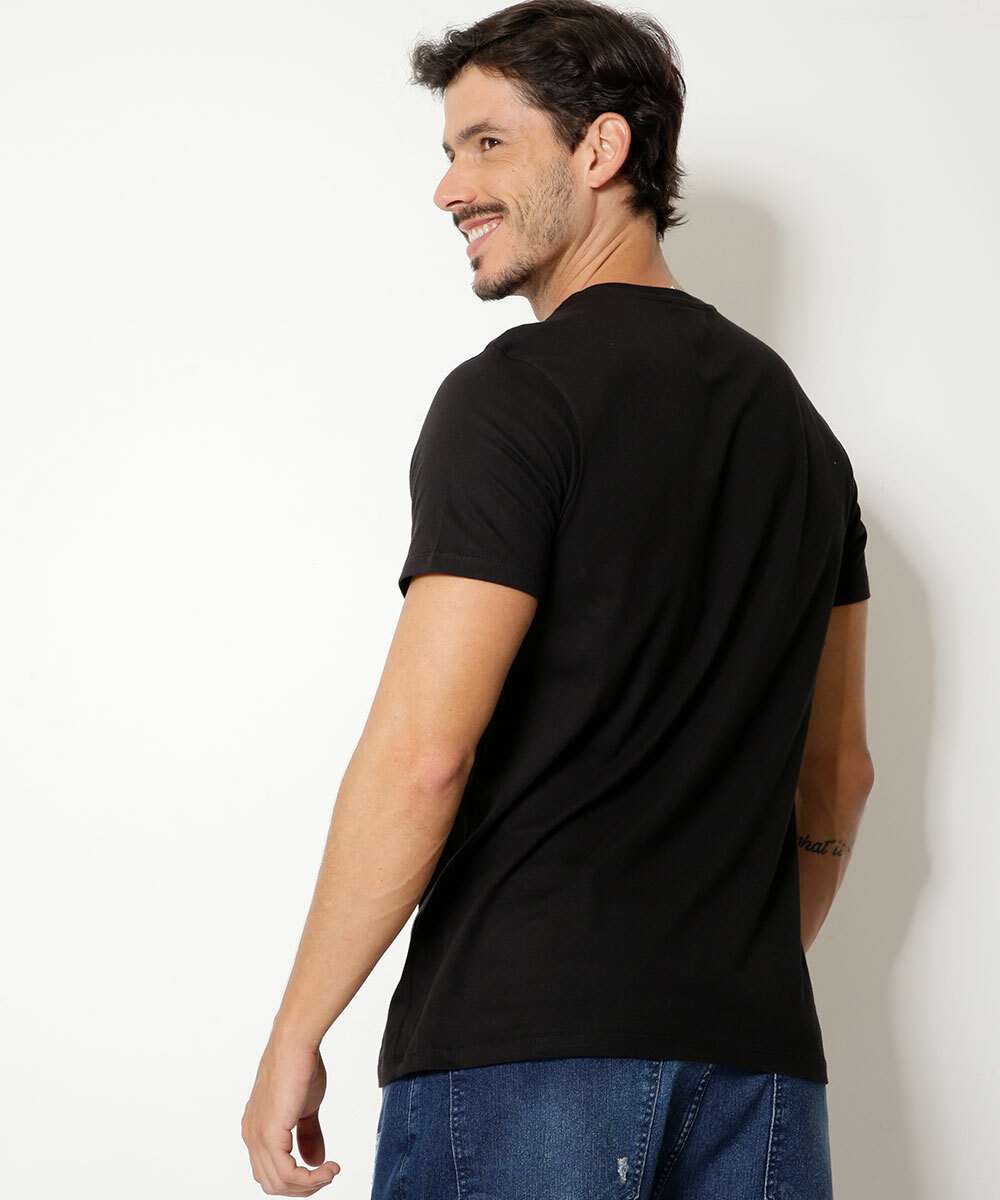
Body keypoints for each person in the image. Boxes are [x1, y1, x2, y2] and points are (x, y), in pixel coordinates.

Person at [240, 1, 874, 1196]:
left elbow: (424, 755)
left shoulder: (516, 399)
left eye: (486, 144)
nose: (449, 189)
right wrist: (715, 981)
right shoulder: (804, 439)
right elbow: (838, 777)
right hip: (759, 1066)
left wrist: (296, 1030)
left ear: (601, 150)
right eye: (448, 152)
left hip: (525, 1053)